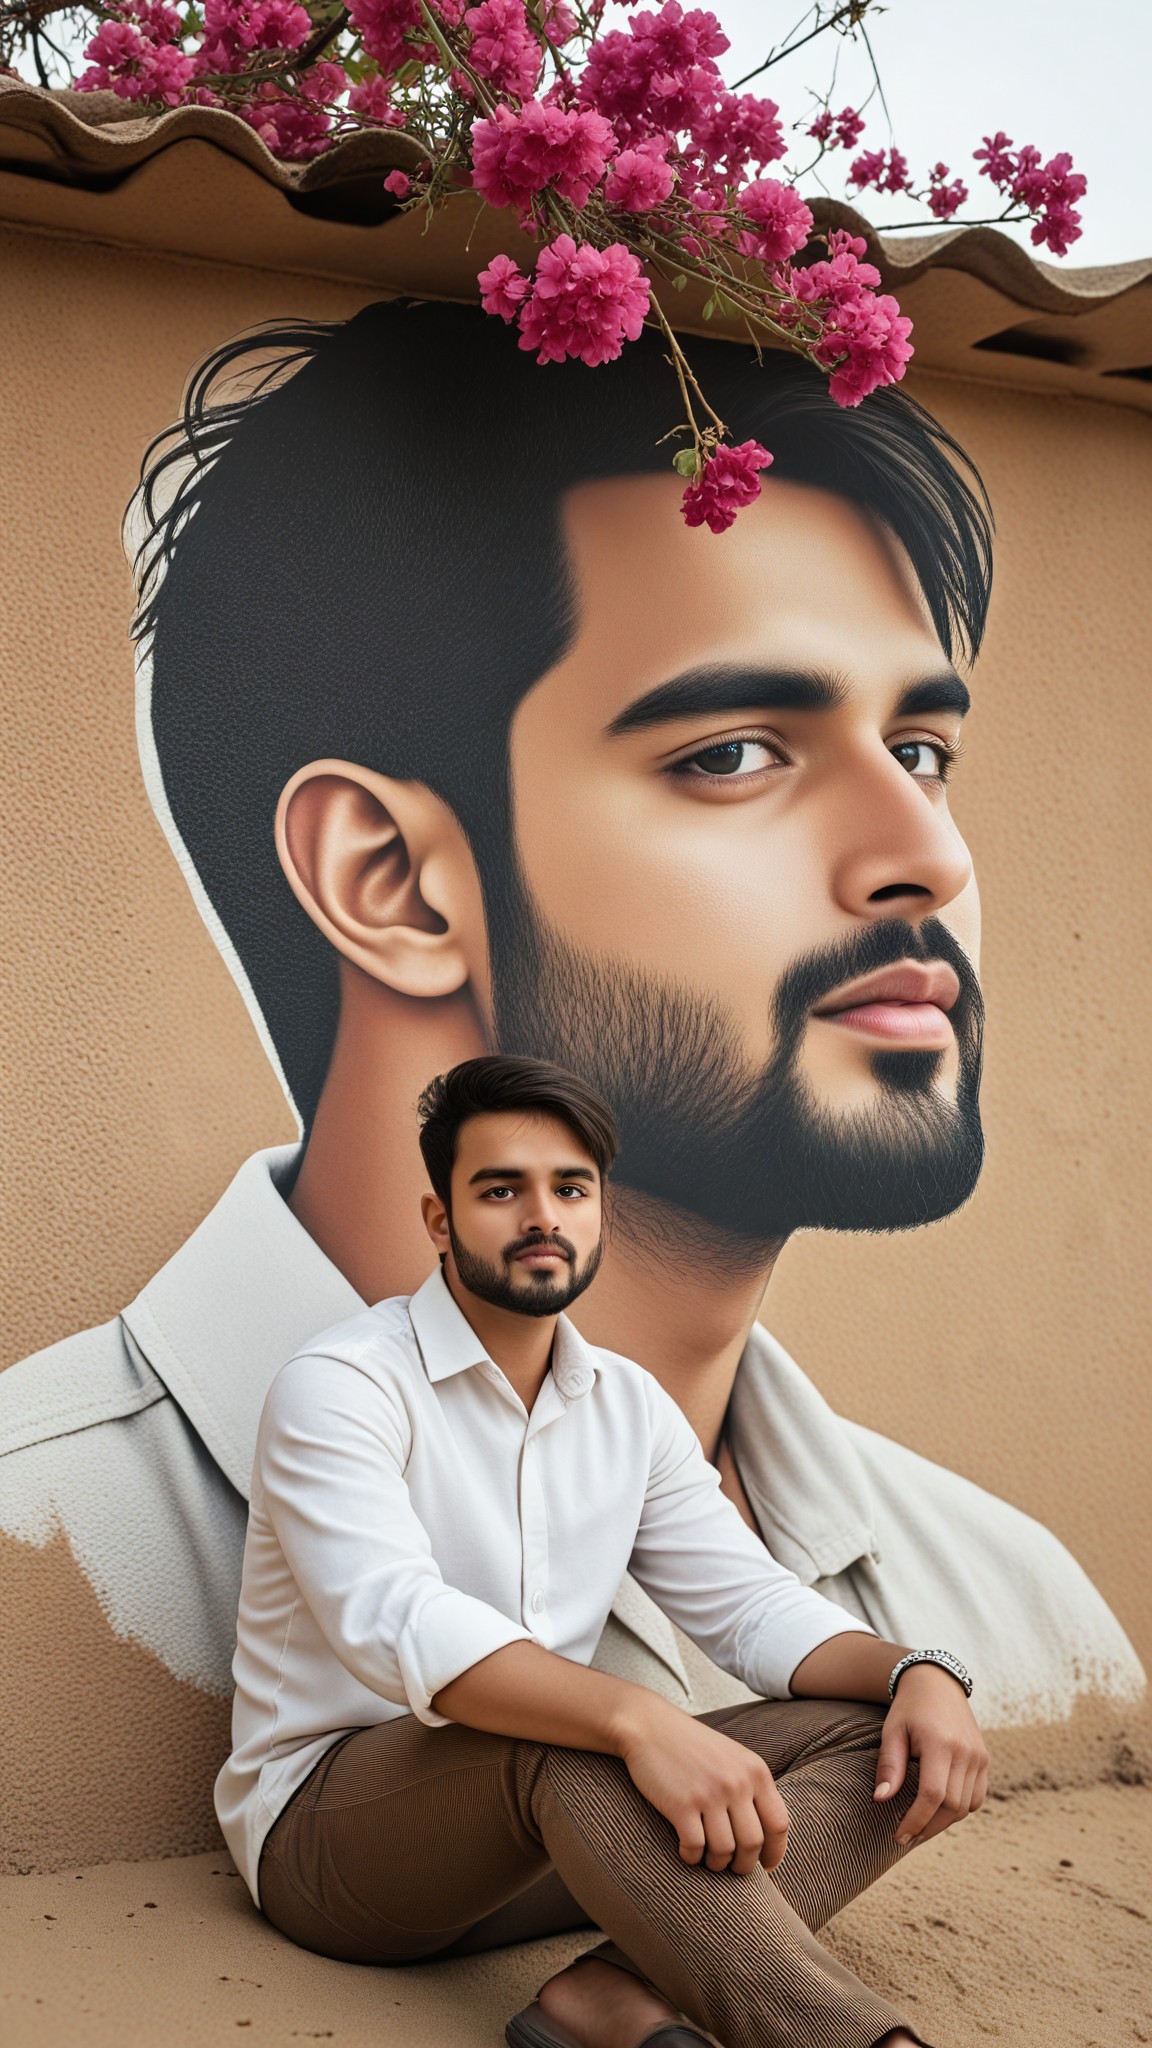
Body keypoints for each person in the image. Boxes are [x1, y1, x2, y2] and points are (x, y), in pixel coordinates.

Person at [1, 303, 1141, 1873]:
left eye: (925, 750)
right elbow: (398, 1622)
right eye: (736, 752)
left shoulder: (1013, 1599)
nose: (926, 855)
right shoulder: (39, 1542)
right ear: (392, 878)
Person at [220, 1054, 986, 2048]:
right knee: (568, 1733)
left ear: (599, 1212)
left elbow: (749, 1603)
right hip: (334, 1843)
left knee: (875, 1729)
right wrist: (632, 1717)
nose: (542, 1214)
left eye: (570, 1188)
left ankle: (614, 1988)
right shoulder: (344, 1384)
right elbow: (396, 1619)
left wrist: (918, 1670)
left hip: (555, 1848)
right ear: (441, 1220)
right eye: (501, 1189)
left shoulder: (627, 1405)